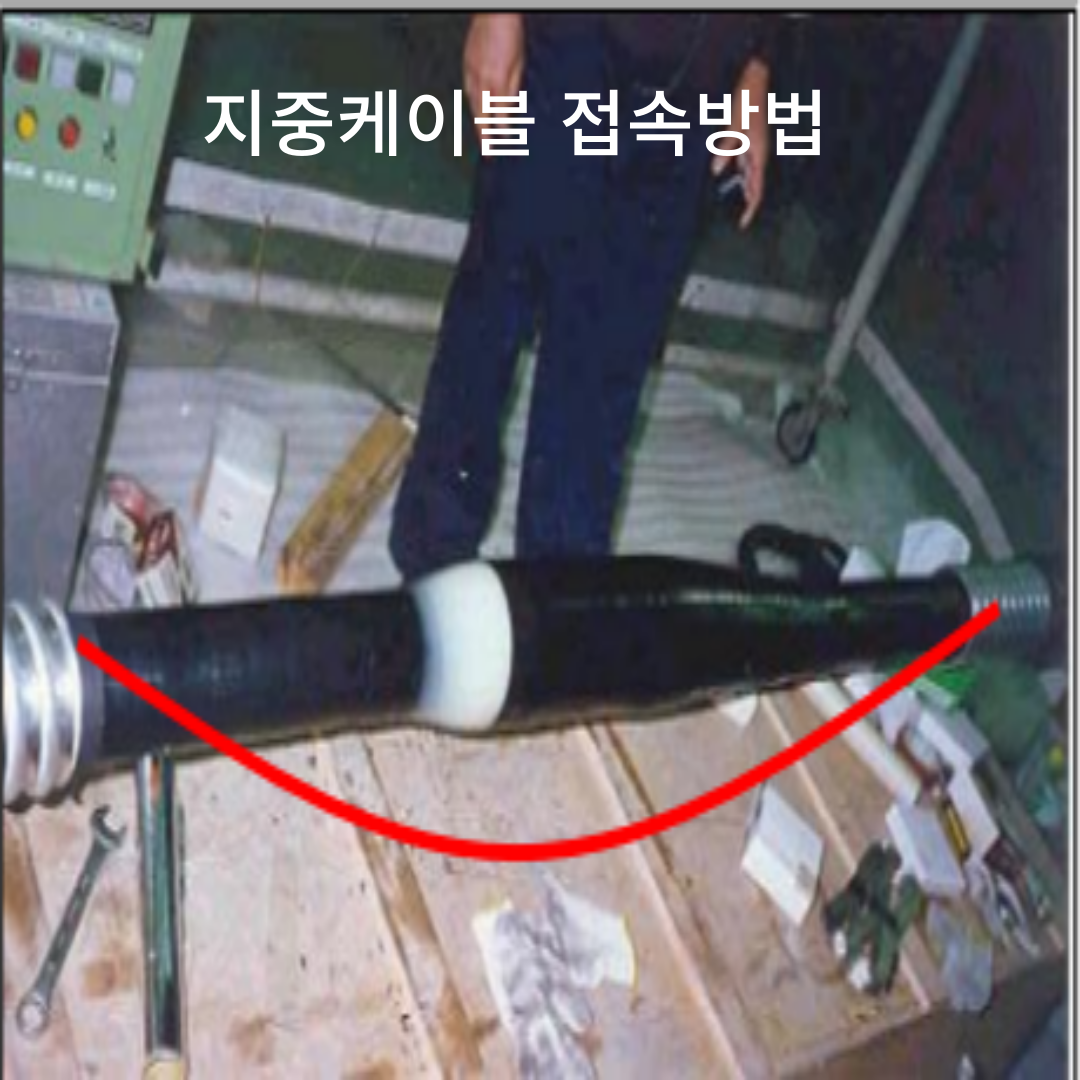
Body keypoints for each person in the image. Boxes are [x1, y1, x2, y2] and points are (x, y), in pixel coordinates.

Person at [390, 13, 776, 580]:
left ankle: (557, 600)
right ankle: (430, 566)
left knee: (601, 385)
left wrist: (756, 67)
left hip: (696, 91)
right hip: (571, 42)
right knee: (489, 318)